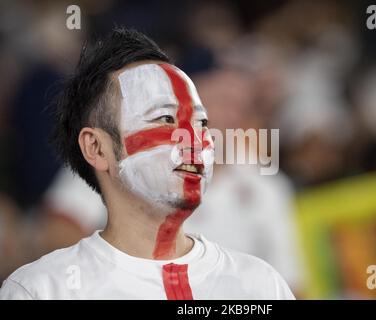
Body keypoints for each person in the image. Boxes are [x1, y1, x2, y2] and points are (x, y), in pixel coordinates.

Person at [0, 28, 294, 300]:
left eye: (202, 123)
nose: (194, 139)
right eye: (165, 118)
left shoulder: (262, 286)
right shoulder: (41, 290)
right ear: (96, 147)